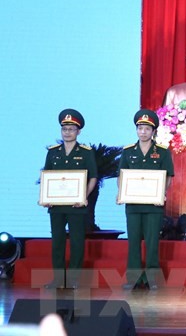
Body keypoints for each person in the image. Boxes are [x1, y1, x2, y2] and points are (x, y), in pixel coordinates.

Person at [40, 109, 98, 289]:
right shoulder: (53, 152)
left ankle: (73, 280)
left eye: (71, 129)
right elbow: (46, 176)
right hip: (56, 207)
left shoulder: (86, 152)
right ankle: (58, 279)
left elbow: (93, 178)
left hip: (77, 206)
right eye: (64, 129)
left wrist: (84, 197)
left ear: (78, 131)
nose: (67, 132)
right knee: (57, 242)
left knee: (76, 243)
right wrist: (44, 197)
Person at [118, 109, 174, 290]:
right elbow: (122, 176)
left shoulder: (163, 152)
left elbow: (168, 176)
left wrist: (161, 193)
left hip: (153, 206)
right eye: (140, 128)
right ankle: (133, 278)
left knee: (152, 242)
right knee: (133, 241)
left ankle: (152, 278)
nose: (143, 132)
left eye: (147, 129)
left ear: (153, 131)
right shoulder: (128, 152)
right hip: (133, 205)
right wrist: (121, 193)